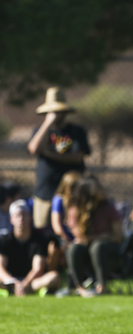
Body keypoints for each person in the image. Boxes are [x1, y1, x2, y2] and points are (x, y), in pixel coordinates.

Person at [27, 87, 91, 229]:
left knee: (71, 229)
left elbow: (77, 157)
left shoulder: (76, 131)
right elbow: (34, 148)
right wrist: (47, 124)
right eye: (52, 111)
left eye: (57, 111)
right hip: (45, 192)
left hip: (71, 194)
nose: (55, 114)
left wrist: (49, 154)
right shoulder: (40, 131)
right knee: (42, 230)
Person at [66, 176, 123, 297]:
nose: (102, 190)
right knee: (74, 248)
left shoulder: (108, 207)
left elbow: (118, 235)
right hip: (86, 249)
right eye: (98, 188)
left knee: (97, 247)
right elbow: (81, 237)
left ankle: (102, 286)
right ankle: (80, 287)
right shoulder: (76, 209)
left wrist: (98, 239)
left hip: (107, 250)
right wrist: (102, 235)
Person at [0, 200, 60, 296]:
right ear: (11, 219)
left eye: (24, 215)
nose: (21, 219)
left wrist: (24, 284)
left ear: (30, 217)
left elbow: (38, 269)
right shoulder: (4, 240)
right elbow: (1, 267)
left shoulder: (39, 239)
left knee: (54, 277)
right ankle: (14, 289)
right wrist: (13, 282)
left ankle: (23, 290)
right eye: (17, 216)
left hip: (31, 282)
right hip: (10, 281)